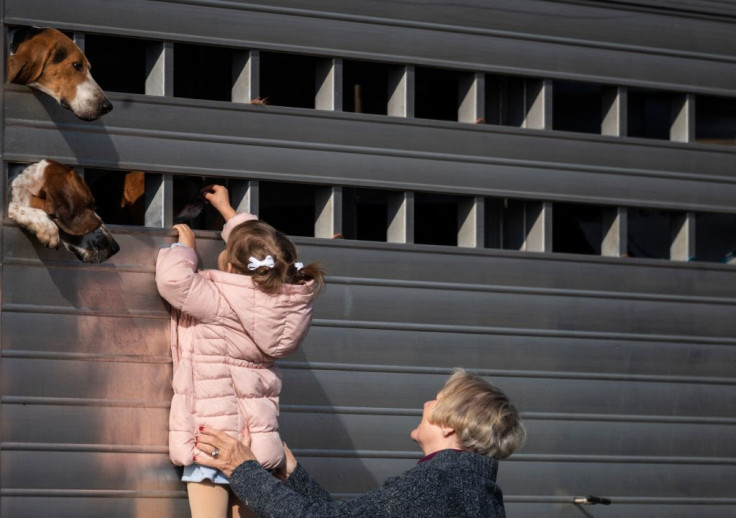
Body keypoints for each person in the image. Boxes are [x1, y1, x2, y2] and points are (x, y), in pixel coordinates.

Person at [156, 185, 324, 518]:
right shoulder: (286, 304)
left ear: (231, 268)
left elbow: (174, 281)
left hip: (213, 438)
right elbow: (266, 249)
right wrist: (230, 214)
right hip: (255, 445)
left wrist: (183, 249)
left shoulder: (220, 299)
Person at [194, 369, 526, 518]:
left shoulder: (436, 484)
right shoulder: (474, 488)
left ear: (452, 424)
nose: (426, 405)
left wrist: (241, 467)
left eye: (437, 400)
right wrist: (294, 476)